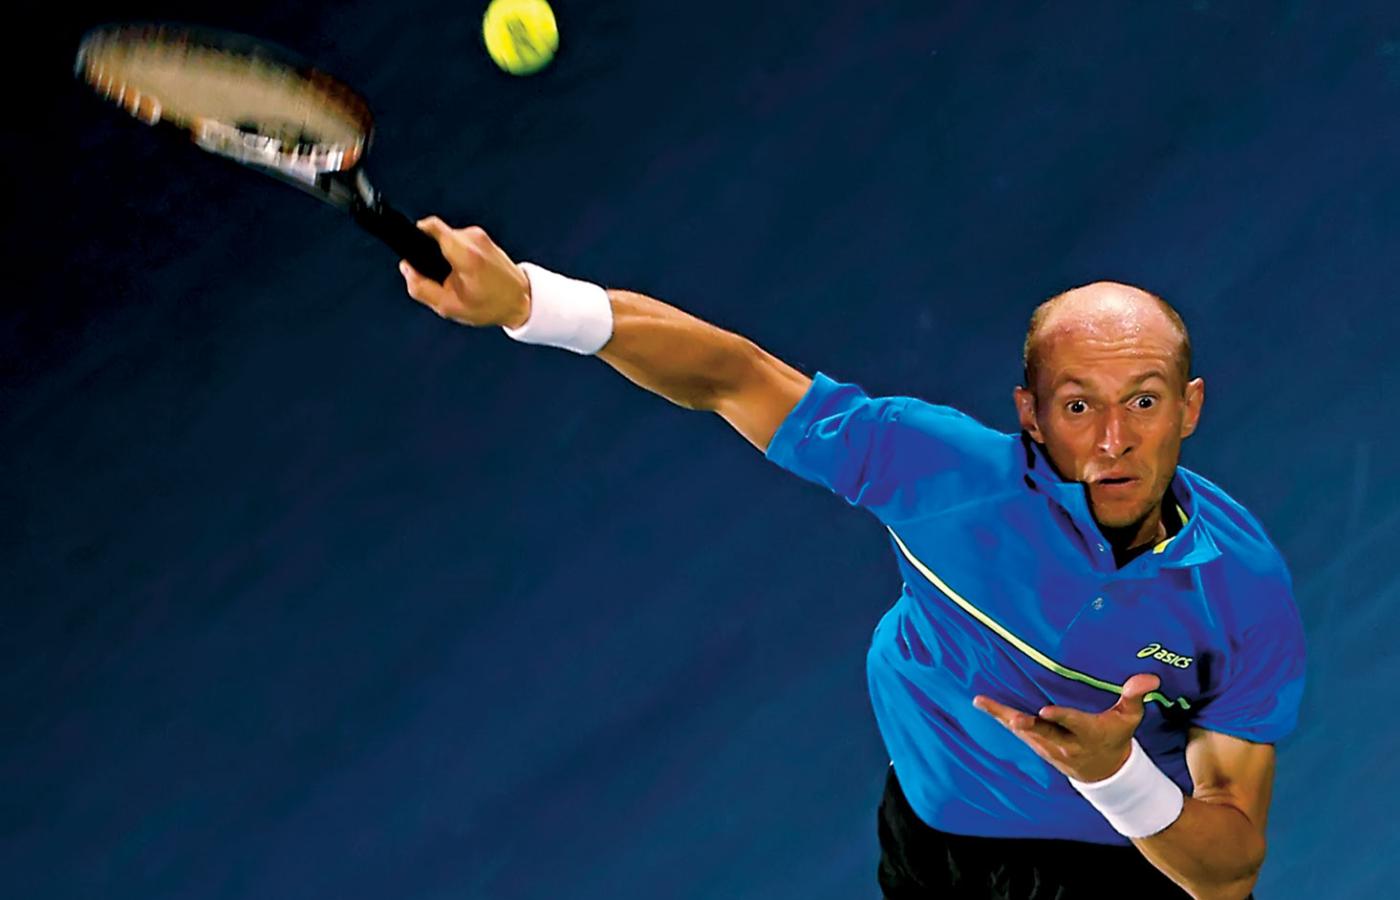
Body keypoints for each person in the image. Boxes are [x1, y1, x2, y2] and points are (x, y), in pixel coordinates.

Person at [397, 218, 1306, 900]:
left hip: (1114, 869)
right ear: (1030, 415)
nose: (1114, 440)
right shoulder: (939, 472)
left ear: (1189, 407)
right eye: (1078, 406)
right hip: (930, 843)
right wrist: (529, 301)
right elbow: (734, 376)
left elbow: (1225, 873)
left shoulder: (1244, 593)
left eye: (1143, 401)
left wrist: (1116, 775)